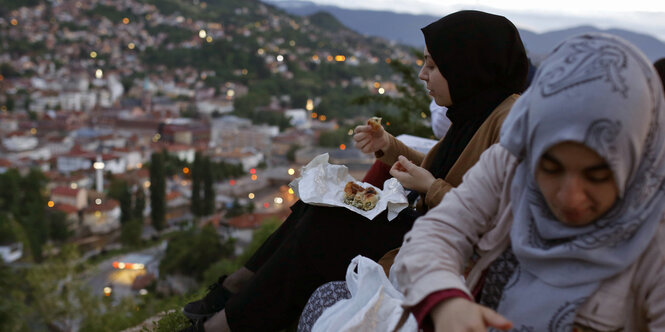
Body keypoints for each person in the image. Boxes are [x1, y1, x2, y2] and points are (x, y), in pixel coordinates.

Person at [180, 10, 529, 332]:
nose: (423, 74)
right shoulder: (474, 110)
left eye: (434, 66)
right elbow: (443, 171)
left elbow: (499, 218)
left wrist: (430, 186)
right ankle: (234, 288)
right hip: (426, 225)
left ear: (467, 68)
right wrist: (388, 145)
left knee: (325, 226)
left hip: (444, 247)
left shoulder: (509, 122)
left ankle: (229, 323)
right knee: (317, 205)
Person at [393, 32, 665, 331]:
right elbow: (438, 232)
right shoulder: (512, 163)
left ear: (639, 160)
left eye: (597, 176)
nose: (569, 197)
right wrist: (446, 302)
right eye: (549, 168)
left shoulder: (656, 240)